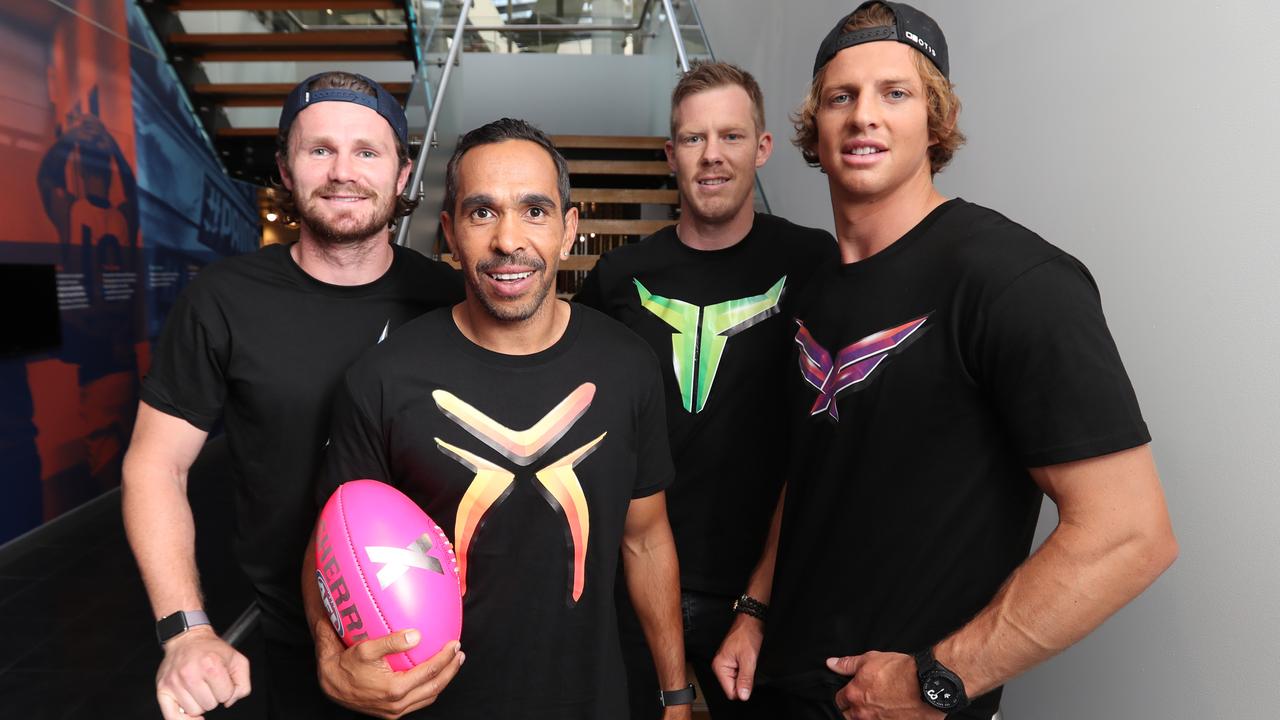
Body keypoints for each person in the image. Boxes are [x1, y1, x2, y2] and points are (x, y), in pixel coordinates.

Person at [712, 3, 1179, 719]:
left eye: (895, 93)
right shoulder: (814, 289)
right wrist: (754, 608)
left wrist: (940, 680)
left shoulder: (1013, 279)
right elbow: (812, 467)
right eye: (842, 96)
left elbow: (1130, 534)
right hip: (778, 688)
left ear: (934, 119)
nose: (865, 115)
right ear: (815, 125)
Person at [303, 118, 691, 719]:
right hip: (432, 707)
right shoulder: (383, 378)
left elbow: (645, 539)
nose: (509, 239)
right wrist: (331, 660)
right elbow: (332, 544)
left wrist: (675, 695)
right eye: (482, 213)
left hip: (592, 704)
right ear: (452, 234)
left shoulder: (628, 365)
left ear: (569, 230)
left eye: (534, 211)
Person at [121, 71, 462, 720]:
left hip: (444, 637)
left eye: (367, 151)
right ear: (284, 168)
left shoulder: (449, 304)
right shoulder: (223, 301)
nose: (343, 171)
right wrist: (186, 629)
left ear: (401, 174)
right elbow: (155, 464)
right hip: (296, 636)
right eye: (319, 150)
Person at [575, 61, 836, 719]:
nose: (712, 156)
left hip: (764, 588)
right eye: (693, 139)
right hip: (632, 578)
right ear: (671, 153)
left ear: (764, 147)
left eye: (731, 136)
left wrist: (759, 600)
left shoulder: (812, 263)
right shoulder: (619, 275)